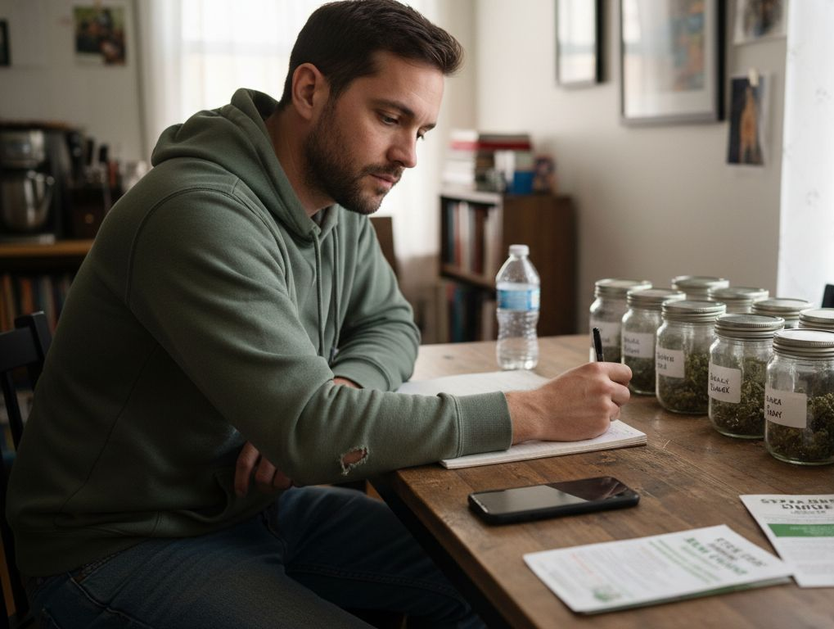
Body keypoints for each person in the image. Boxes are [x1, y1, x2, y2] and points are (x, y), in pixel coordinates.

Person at [6, 2, 631, 627]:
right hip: (117, 549)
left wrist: (345, 384)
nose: (408, 156)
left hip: (247, 509)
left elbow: (390, 325)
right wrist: (534, 412)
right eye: (390, 118)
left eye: (422, 131)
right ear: (309, 90)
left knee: (502, 583)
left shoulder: (336, 204)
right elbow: (315, 436)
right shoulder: (197, 215)